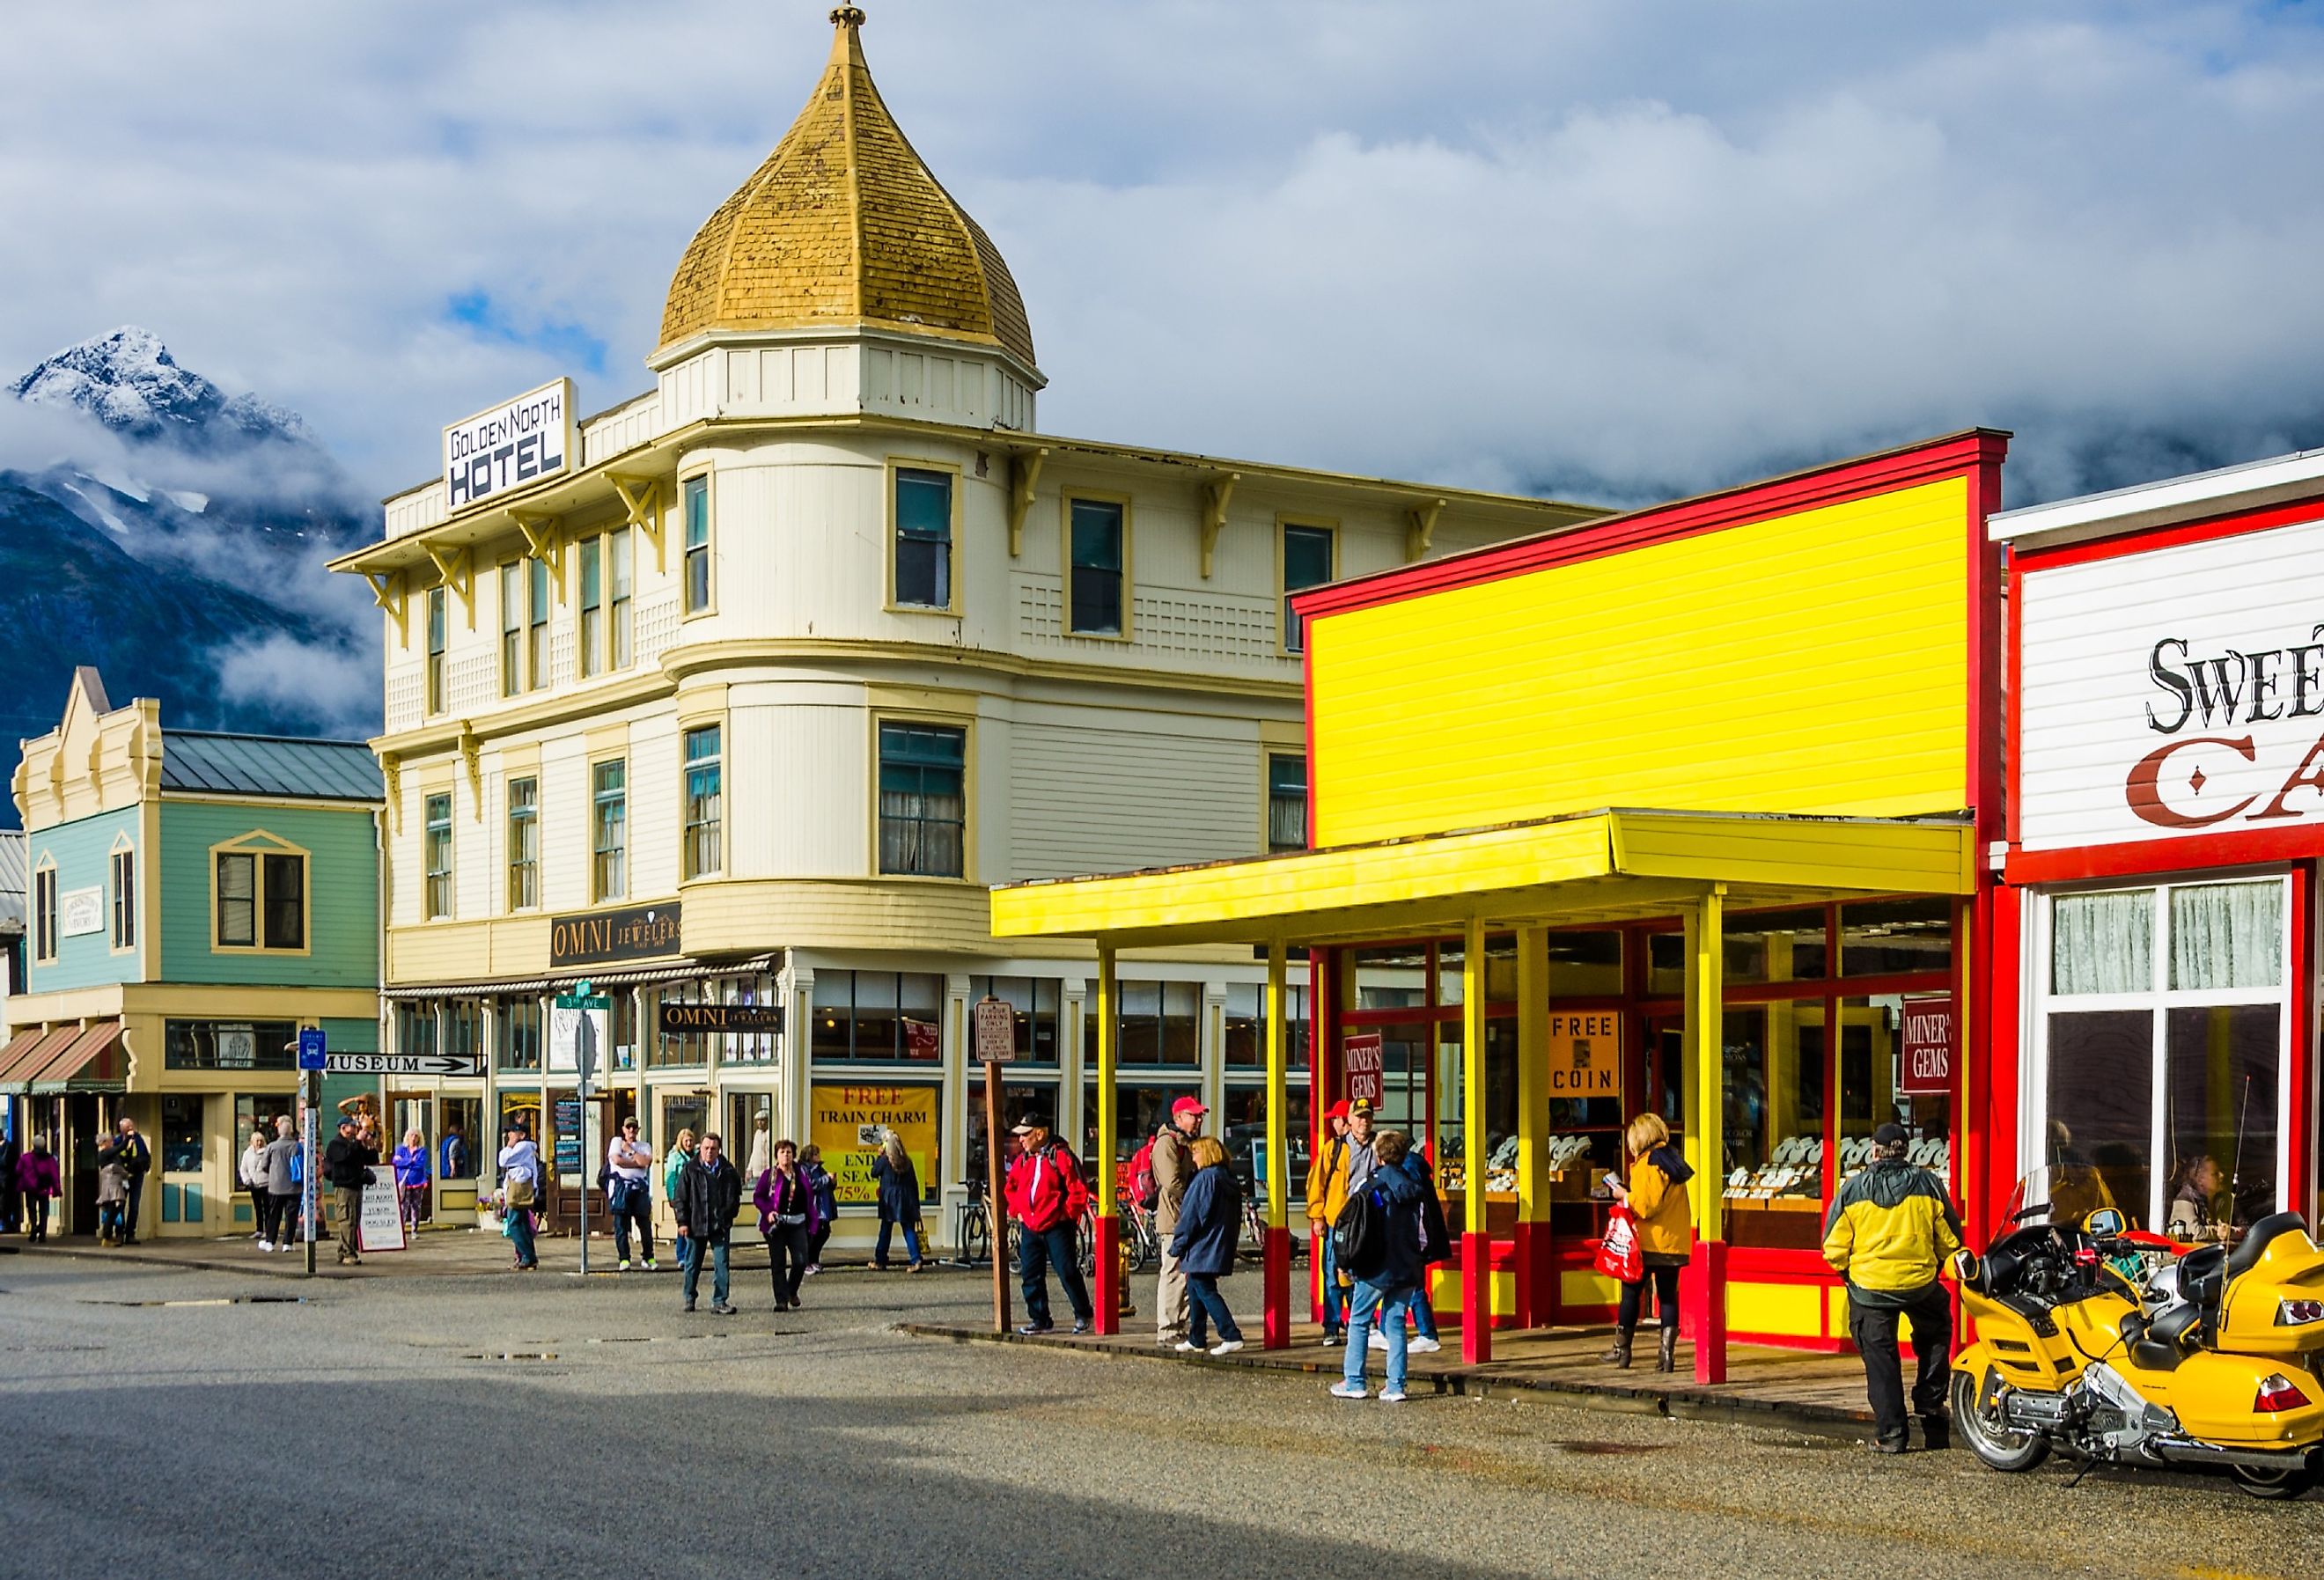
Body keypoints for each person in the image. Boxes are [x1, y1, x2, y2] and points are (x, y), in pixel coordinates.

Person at [1823, 1121, 1962, 1453]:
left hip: (1868, 1289)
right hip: (1920, 1284)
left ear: (1874, 1152)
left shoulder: (1853, 1190)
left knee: (1881, 1358)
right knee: (1937, 1331)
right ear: (1906, 1152)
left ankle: (1892, 1435)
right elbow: (1951, 1241)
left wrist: (1850, 1274)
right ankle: (1930, 1402)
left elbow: (1833, 1250)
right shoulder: (1929, 1186)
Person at [1331, 1128, 1428, 1402]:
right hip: (1407, 1265)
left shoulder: (1370, 1187)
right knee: (1396, 1323)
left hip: (1375, 1266)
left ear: (1379, 1156)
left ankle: (1355, 1381)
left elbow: (1356, 1226)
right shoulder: (1413, 1188)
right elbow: (1423, 1233)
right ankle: (1395, 1386)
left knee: (1360, 1320)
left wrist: (1347, 1261)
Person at [1603, 1113, 1695, 1372]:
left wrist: (1623, 1194)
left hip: (1648, 1243)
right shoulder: (1673, 1160)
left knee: (1631, 1294)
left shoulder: (1648, 1163)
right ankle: (1666, 1355)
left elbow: (1645, 1206)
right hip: (1673, 1243)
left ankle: (1622, 1349)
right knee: (1667, 1298)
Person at [1003, 1113, 1094, 1334]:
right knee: (1030, 1274)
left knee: (1067, 1271)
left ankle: (1083, 1313)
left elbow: (1078, 1190)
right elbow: (1011, 1187)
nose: (1021, 1140)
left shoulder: (1061, 1156)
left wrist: (1065, 1215)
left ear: (1039, 1133)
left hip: (1057, 1226)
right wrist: (1018, 1211)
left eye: (1025, 1135)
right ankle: (1040, 1318)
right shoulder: (1024, 1160)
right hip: (1031, 1226)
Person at [1370, 1129, 1447, 1356]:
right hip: (1410, 1238)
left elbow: (1410, 1204)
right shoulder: (1410, 1166)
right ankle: (1386, 1330)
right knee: (1398, 1284)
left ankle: (1427, 1333)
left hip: (1408, 1237)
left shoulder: (1405, 1171)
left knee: (1411, 1286)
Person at [1168, 1135, 1246, 1355]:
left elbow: (1192, 1216)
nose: (1193, 1157)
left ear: (1208, 1153)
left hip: (1203, 1243)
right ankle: (1197, 1337)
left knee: (1204, 1288)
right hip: (1218, 1242)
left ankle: (1230, 1334)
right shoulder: (1226, 1178)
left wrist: (1179, 1245)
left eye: (1196, 1152)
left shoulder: (1205, 1179)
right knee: (1195, 1288)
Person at [1151, 1095, 1204, 1349]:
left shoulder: (1185, 1142)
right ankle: (1167, 1327)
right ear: (1179, 1117)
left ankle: (1179, 1325)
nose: (1199, 1119)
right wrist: (1196, 1201)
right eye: (1194, 1115)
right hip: (1174, 1218)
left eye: (1200, 1115)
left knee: (1184, 1275)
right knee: (1172, 1271)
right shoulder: (1167, 1144)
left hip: (1184, 1216)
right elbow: (1171, 1183)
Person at [675, 1129, 742, 1314]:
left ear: (719, 1150)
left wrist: (729, 1215)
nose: (709, 1152)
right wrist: (682, 1222)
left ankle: (720, 1301)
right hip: (696, 1224)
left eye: (713, 1148)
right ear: (701, 1148)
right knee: (692, 1264)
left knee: (722, 1264)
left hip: (719, 1225)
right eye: (706, 1148)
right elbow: (680, 1197)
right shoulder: (691, 1169)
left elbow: (735, 1195)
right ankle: (689, 1297)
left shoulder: (728, 1170)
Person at [1305, 1100, 1353, 1342]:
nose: (1333, 1123)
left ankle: (1349, 1324)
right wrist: (1317, 1216)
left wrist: (1317, 1217)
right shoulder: (1331, 1149)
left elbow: (1315, 1185)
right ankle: (1335, 1324)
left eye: (1335, 1118)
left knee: (1347, 1274)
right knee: (1336, 1274)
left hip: (1346, 1221)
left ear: (1343, 1120)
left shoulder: (1351, 1148)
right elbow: (1317, 1184)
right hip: (1337, 1221)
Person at [755, 1138, 820, 1311]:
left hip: (798, 1223)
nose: (786, 1155)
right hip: (777, 1225)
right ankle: (781, 1300)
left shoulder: (802, 1174)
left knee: (801, 1261)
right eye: (782, 1152)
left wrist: (813, 1223)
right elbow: (758, 1196)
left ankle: (791, 1290)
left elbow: (810, 1198)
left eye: (789, 1152)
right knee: (778, 1263)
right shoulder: (770, 1175)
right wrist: (768, 1212)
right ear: (777, 1155)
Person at [324, 1115, 378, 1267]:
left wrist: (369, 1145)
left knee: (354, 1221)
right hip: (344, 1187)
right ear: (343, 1128)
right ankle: (349, 1253)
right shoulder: (335, 1145)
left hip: (357, 1186)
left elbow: (371, 1160)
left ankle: (343, 1250)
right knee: (346, 1220)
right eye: (352, 1127)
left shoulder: (354, 1144)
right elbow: (345, 1156)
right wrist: (357, 1142)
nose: (355, 1130)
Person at [872, 1132, 925, 1272]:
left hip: (889, 1198)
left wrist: (878, 1156)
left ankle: (880, 1260)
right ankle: (916, 1259)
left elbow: (874, 1172)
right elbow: (914, 1183)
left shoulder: (884, 1161)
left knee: (885, 1229)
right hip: (906, 1197)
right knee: (908, 1229)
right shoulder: (907, 1161)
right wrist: (916, 1205)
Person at [607, 1117, 657, 1270]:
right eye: (628, 1127)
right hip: (621, 1189)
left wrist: (630, 1151)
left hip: (639, 1189)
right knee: (621, 1225)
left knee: (645, 1225)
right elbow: (617, 1160)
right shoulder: (616, 1142)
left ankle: (648, 1257)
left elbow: (646, 1163)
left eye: (634, 1128)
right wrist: (636, 1162)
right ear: (623, 1129)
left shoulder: (644, 1146)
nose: (631, 1131)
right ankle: (624, 1259)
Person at [99, 1117, 151, 1246]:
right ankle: (118, 1233)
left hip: (136, 1176)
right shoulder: (115, 1143)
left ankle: (130, 1233)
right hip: (120, 1179)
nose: (131, 1129)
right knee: (118, 1206)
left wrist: (141, 1165)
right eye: (128, 1127)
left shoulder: (138, 1140)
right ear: (122, 1129)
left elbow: (144, 1155)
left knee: (134, 1206)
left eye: (132, 1126)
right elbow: (119, 1153)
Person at [498, 1122, 542, 1271]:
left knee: (514, 1224)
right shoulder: (526, 1148)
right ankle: (527, 1257)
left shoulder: (522, 1147)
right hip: (519, 1187)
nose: (509, 1135)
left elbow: (503, 1160)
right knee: (523, 1224)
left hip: (518, 1189)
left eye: (512, 1132)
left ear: (522, 1135)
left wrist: (509, 1145)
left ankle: (528, 1256)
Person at [262, 1113, 300, 1251]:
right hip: (294, 1186)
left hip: (276, 1186)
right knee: (291, 1216)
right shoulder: (296, 1146)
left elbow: (264, 1165)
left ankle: (270, 1242)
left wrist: (273, 1173)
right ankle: (287, 1243)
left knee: (274, 1215)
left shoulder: (272, 1147)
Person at [2168, 1154, 2225, 1242]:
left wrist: (2230, 1231)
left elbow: (2244, 1228)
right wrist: (2219, 1231)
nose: (2222, 1176)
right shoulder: (2184, 1199)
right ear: (2200, 1180)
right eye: (2215, 1174)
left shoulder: (2221, 1201)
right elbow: (2195, 1232)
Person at [664, 1128, 697, 1273]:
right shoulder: (674, 1157)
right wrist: (671, 1196)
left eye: (690, 1140)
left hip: (695, 1197)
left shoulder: (697, 1155)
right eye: (686, 1141)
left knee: (694, 1225)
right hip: (680, 1197)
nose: (689, 1143)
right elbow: (670, 1177)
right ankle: (682, 1256)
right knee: (683, 1225)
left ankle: (692, 1255)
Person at [802, 1143, 838, 1274]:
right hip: (813, 1206)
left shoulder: (820, 1168)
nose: (819, 1156)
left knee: (824, 1232)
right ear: (809, 1156)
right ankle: (806, 1262)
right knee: (811, 1235)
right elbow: (811, 1185)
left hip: (824, 1206)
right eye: (816, 1154)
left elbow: (827, 1186)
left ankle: (814, 1260)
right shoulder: (804, 1169)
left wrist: (833, 1182)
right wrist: (827, 1178)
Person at [18, 1137, 61, 1242]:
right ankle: (42, 1234)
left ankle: (33, 1229)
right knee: (43, 1211)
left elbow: (18, 1170)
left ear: (33, 1145)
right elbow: (55, 1175)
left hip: (30, 1188)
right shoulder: (50, 1159)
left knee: (32, 1210)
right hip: (44, 1188)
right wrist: (57, 1189)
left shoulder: (25, 1158)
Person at [393, 1128, 430, 1234]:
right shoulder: (400, 1149)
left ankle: (414, 1230)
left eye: (416, 1136)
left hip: (418, 1182)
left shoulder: (422, 1150)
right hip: (405, 1182)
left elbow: (420, 1165)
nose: (413, 1138)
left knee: (416, 1206)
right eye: (411, 1135)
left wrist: (405, 1162)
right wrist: (410, 1161)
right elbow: (396, 1162)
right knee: (404, 1206)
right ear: (407, 1137)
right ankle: (401, 1230)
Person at [238, 1126, 271, 1242]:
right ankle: (259, 1230)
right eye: (257, 1140)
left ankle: (268, 1230)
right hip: (254, 1185)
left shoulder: (268, 1152)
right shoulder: (247, 1153)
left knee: (268, 1208)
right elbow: (243, 1169)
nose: (259, 1143)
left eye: (261, 1140)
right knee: (258, 1208)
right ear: (252, 1142)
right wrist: (247, 1181)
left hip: (266, 1184)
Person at [439, 1117, 473, 1182]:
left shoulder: (446, 1140)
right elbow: (452, 1155)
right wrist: (453, 1169)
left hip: (443, 1170)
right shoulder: (456, 1141)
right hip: (449, 1170)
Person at [744, 1112, 773, 1184]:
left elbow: (770, 1153)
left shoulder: (769, 1134)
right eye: (758, 1120)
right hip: (755, 1173)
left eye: (762, 1120)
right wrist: (749, 1169)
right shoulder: (757, 1134)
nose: (760, 1123)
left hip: (765, 1172)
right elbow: (754, 1152)